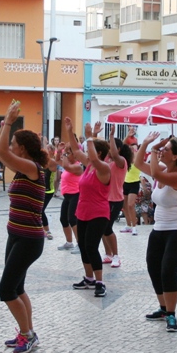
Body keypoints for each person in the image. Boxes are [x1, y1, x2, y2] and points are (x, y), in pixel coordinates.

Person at [0, 100, 47, 353]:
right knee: (17, 288)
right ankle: (28, 332)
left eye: (14, 143)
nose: (10, 146)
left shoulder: (32, 168)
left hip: (29, 239)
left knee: (6, 290)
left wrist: (8, 121)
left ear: (22, 149)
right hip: (15, 234)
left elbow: (1, 152)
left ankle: (27, 335)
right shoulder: (21, 167)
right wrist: (5, 125)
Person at [135, 132, 177, 332]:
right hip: (160, 227)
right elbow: (138, 163)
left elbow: (157, 175)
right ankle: (163, 308)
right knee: (153, 267)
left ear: (175, 156)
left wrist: (153, 150)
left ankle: (171, 314)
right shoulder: (162, 168)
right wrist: (145, 143)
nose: (162, 151)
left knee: (168, 270)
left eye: (166, 149)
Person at [65, 118, 111, 297]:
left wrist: (90, 136)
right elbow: (76, 151)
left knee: (91, 247)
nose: (85, 151)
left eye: (90, 148)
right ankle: (89, 278)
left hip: (98, 213)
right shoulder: (90, 165)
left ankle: (100, 282)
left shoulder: (104, 168)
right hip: (83, 212)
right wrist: (70, 131)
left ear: (98, 153)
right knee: (83, 246)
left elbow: (89, 155)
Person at [102, 130, 131, 269]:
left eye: (110, 146)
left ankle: (116, 256)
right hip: (104, 199)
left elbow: (114, 154)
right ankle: (108, 254)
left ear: (118, 149)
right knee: (101, 228)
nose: (108, 149)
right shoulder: (107, 161)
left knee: (107, 228)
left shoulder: (121, 162)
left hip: (115, 199)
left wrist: (111, 136)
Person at [56, 142, 83, 252]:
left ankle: (80, 244)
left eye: (69, 153)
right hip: (67, 196)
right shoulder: (68, 164)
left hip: (76, 195)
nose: (67, 155)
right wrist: (59, 151)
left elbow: (65, 166)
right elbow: (57, 161)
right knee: (63, 219)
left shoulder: (78, 166)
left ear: (75, 155)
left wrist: (65, 153)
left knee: (72, 219)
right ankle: (69, 242)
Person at [121, 142, 141, 235]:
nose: (132, 150)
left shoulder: (137, 159)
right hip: (125, 182)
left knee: (130, 205)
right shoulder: (126, 160)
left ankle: (134, 226)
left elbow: (135, 160)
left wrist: (135, 151)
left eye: (134, 149)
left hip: (134, 183)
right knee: (124, 206)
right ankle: (128, 225)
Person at [39, 139, 57, 241]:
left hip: (48, 191)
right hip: (41, 189)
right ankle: (40, 229)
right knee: (38, 210)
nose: (46, 150)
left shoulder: (52, 162)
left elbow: (46, 164)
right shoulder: (44, 161)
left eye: (48, 149)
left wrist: (44, 144)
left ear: (52, 151)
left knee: (41, 210)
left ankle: (47, 231)